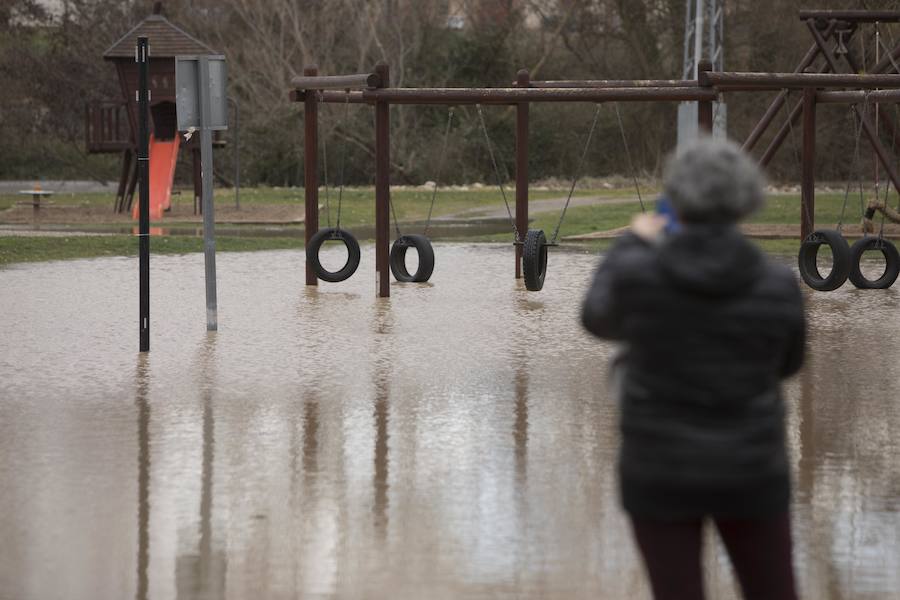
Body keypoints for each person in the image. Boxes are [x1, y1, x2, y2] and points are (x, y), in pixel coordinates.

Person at [581, 137, 806, 600]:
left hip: (659, 470)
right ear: (747, 200)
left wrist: (631, 241)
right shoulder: (778, 284)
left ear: (677, 198)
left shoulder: (637, 273)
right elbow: (787, 364)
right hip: (752, 468)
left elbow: (595, 317)